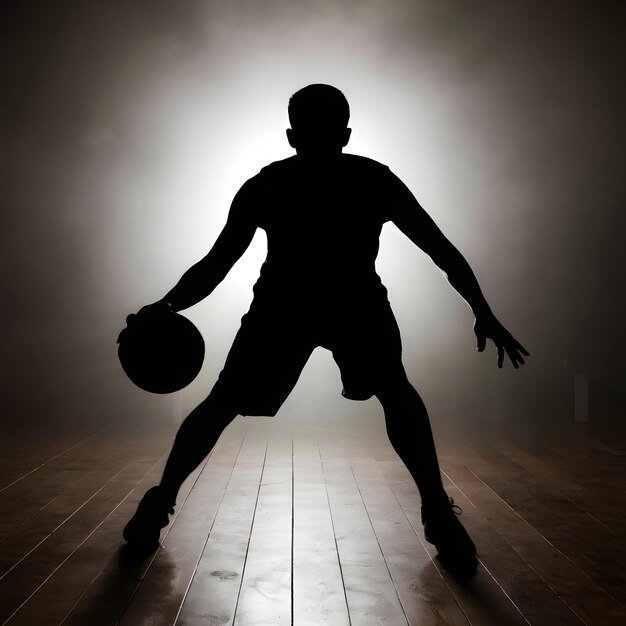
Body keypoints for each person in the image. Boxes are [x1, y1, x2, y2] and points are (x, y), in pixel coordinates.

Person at [122, 84, 528, 574]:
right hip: (342, 303)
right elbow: (441, 251)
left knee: (225, 402)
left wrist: (164, 304)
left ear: (292, 136)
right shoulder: (368, 179)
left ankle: (159, 503)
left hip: (296, 305)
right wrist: (481, 308)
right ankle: (438, 514)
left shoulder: (270, 184)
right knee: (395, 395)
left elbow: (215, 266)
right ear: (345, 133)